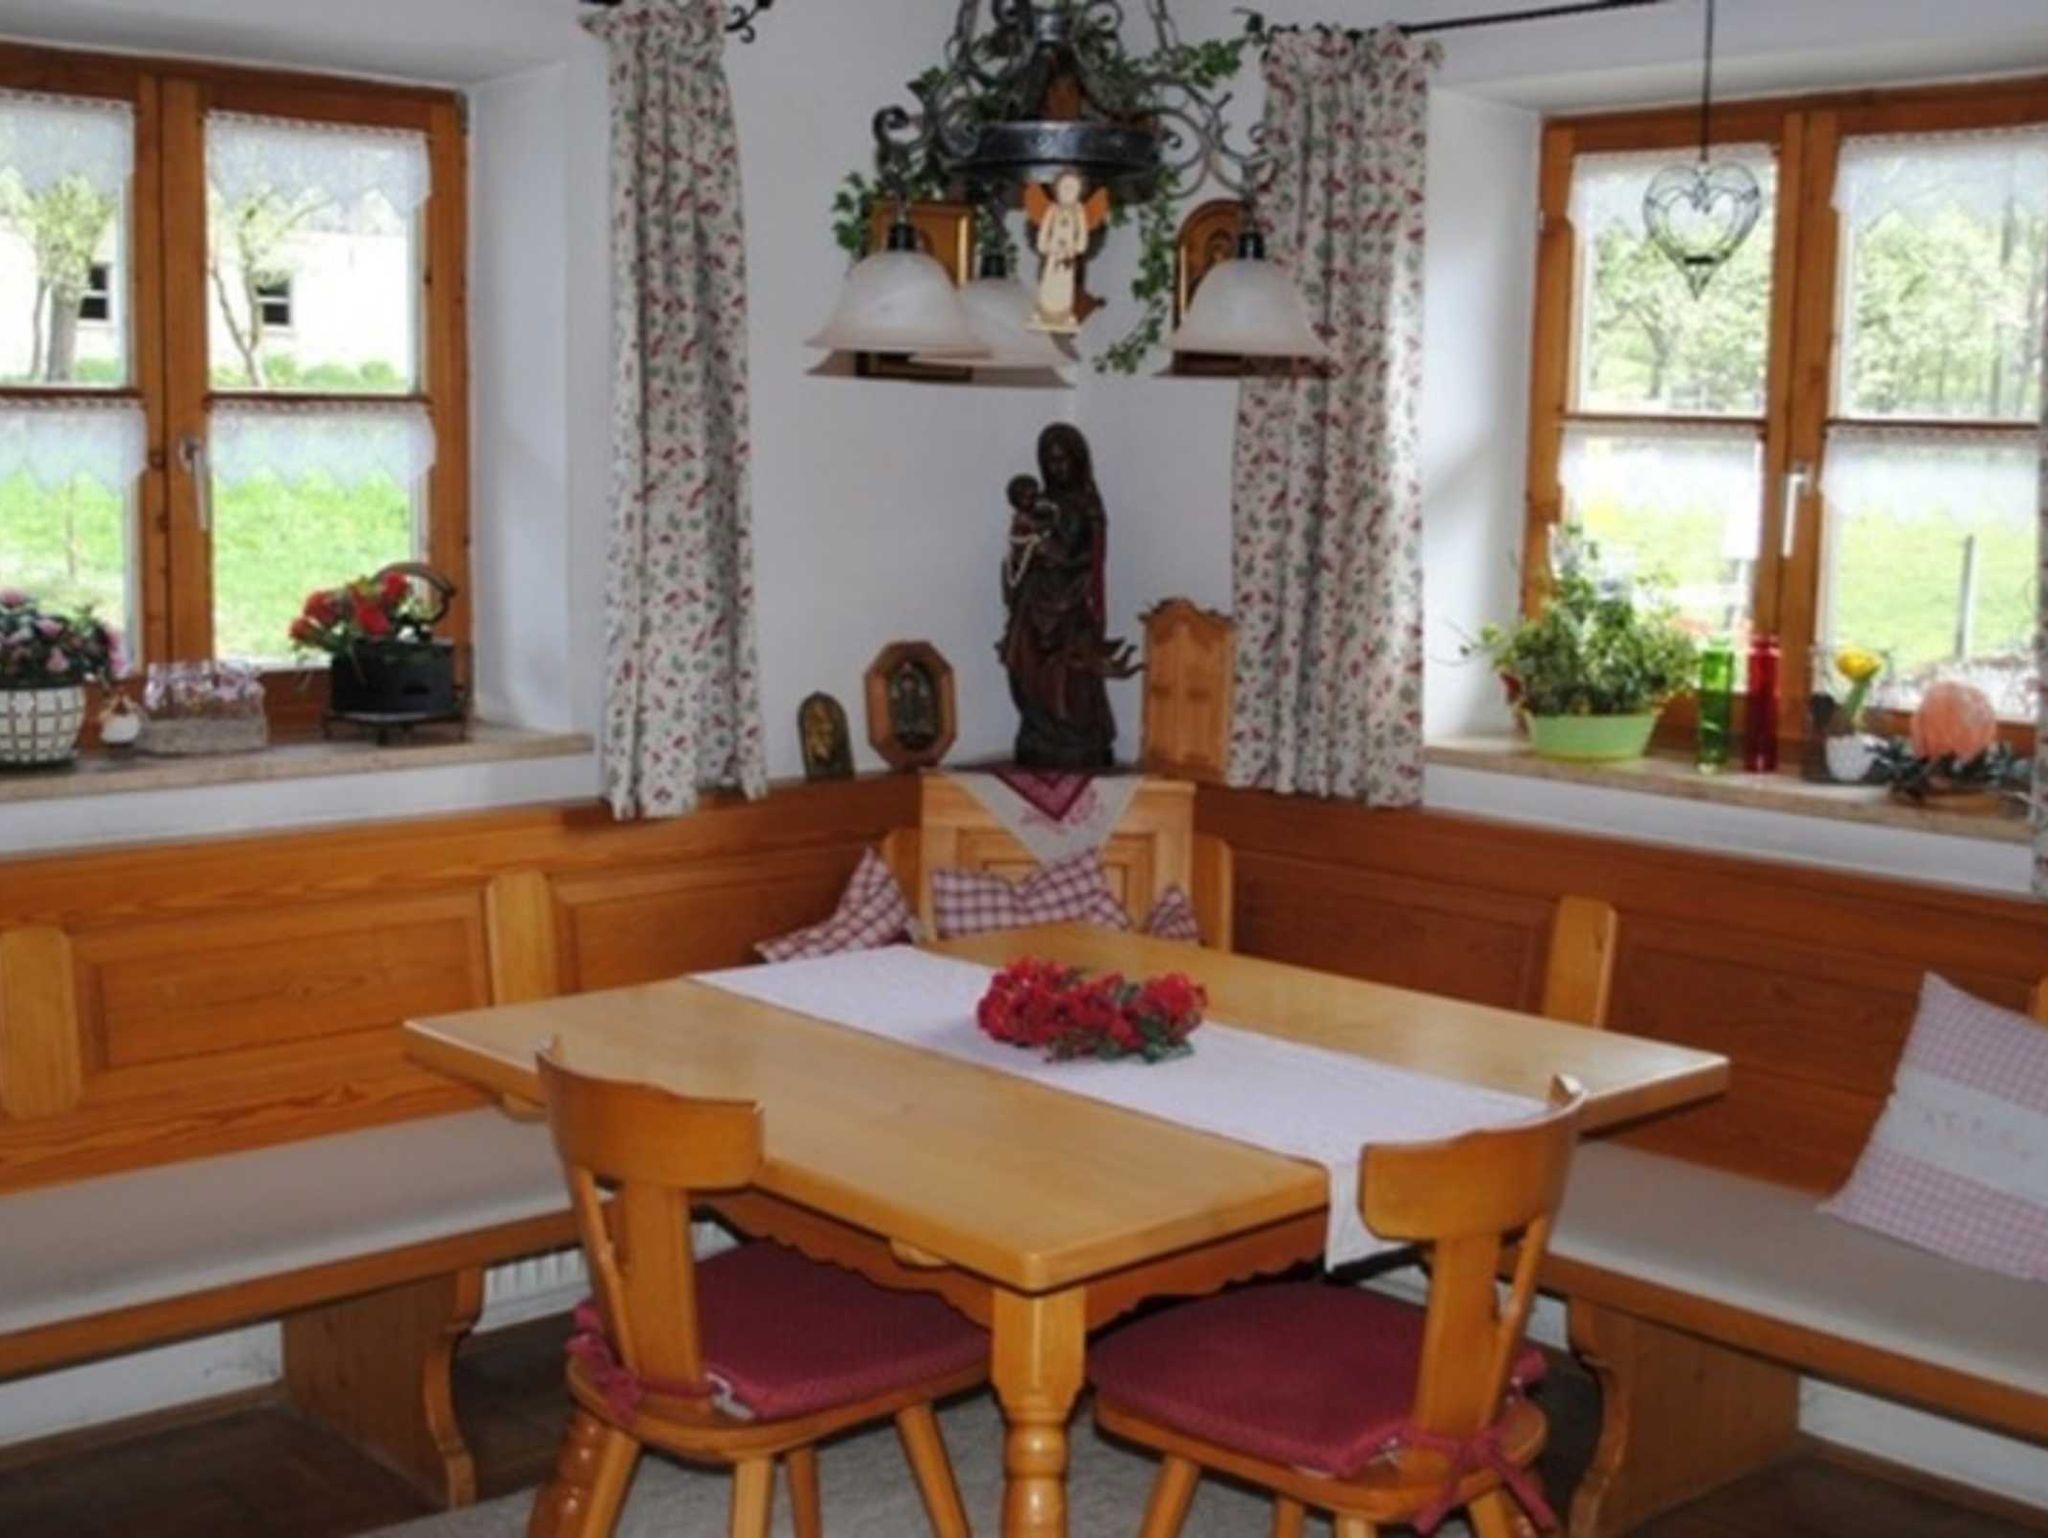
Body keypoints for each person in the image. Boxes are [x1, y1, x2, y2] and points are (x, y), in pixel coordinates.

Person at [997, 425, 1136, 768]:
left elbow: (1092, 557)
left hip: (1070, 601)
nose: (1056, 467)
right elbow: (1020, 549)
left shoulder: (1088, 505)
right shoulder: (1039, 503)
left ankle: (1075, 734)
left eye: (1063, 459)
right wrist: (1024, 553)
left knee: (1069, 675)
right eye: (1049, 460)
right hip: (1034, 601)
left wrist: (1058, 557)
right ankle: (1039, 731)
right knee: (1024, 667)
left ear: (1078, 460)